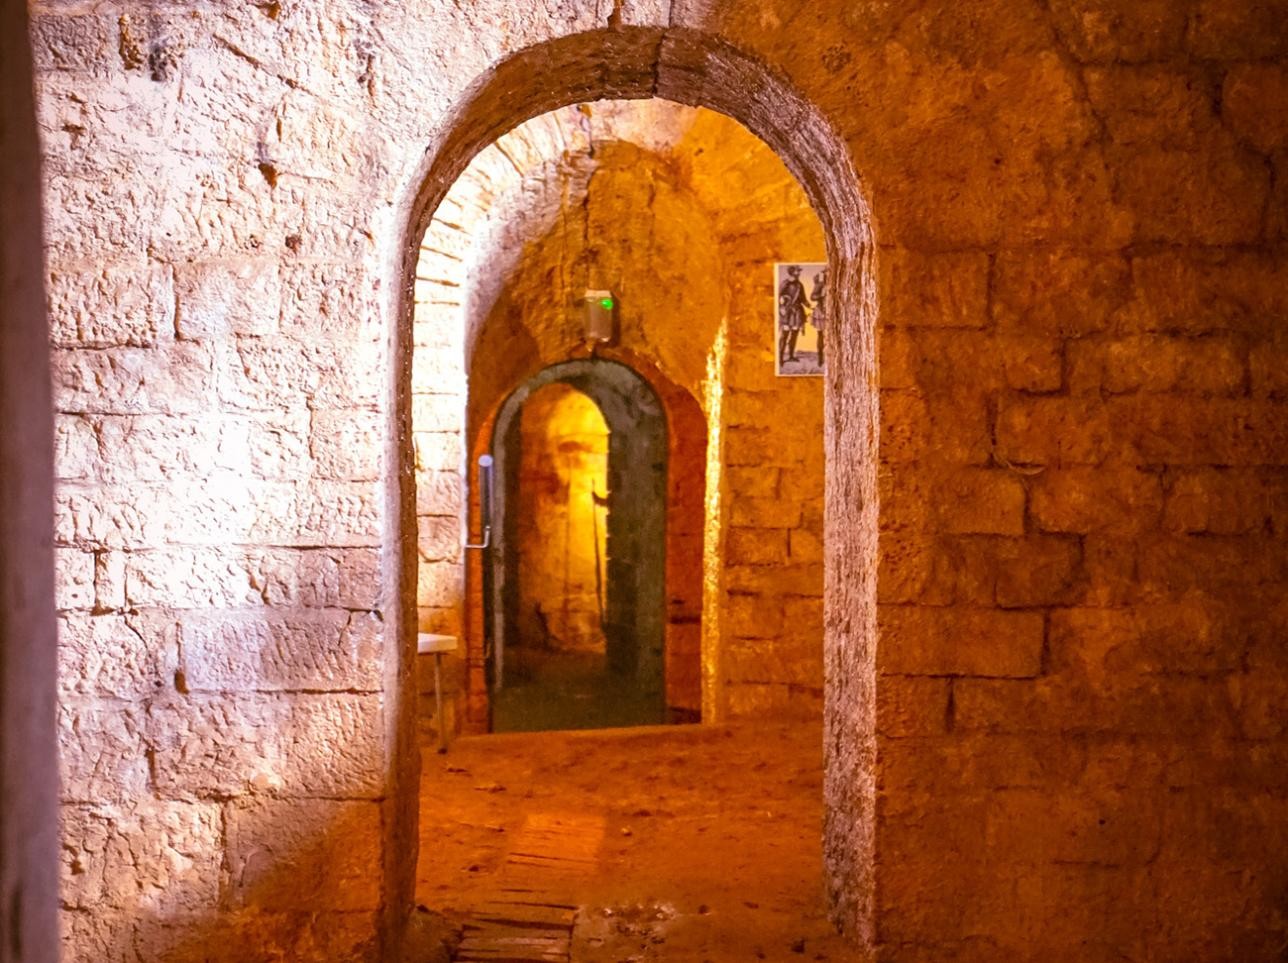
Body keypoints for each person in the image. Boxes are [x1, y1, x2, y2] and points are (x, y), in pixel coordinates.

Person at [778, 265, 807, 365]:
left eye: (799, 271)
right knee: (784, 336)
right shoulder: (785, 284)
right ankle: (780, 358)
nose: (799, 273)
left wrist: (809, 306)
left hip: (797, 313)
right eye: (797, 271)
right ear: (792, 272)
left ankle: (790, 356)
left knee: (794, 335)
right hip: (787, 313)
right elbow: (778, 298)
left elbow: (803, 299)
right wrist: (781, 308)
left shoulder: (800, 285)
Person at [810, 267, 827, 369]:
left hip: (833, 313)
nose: (827, 276)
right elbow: (812, 297)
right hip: (821, 312)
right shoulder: (820, 285)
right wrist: (821, 295)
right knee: (820, 335)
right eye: (825, 274)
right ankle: (820, 359)